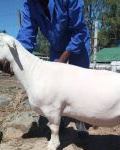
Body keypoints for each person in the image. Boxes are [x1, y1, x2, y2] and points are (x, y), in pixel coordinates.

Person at [17, 0, 91, 136]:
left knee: (80, 85)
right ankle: (58, 118)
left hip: (78, 44)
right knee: (54, 86)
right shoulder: (30, 5)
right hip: (56, 47)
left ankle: (80, 119)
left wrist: (62, 61)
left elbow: (79, 30)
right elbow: (27, 34)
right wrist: (15, 58)